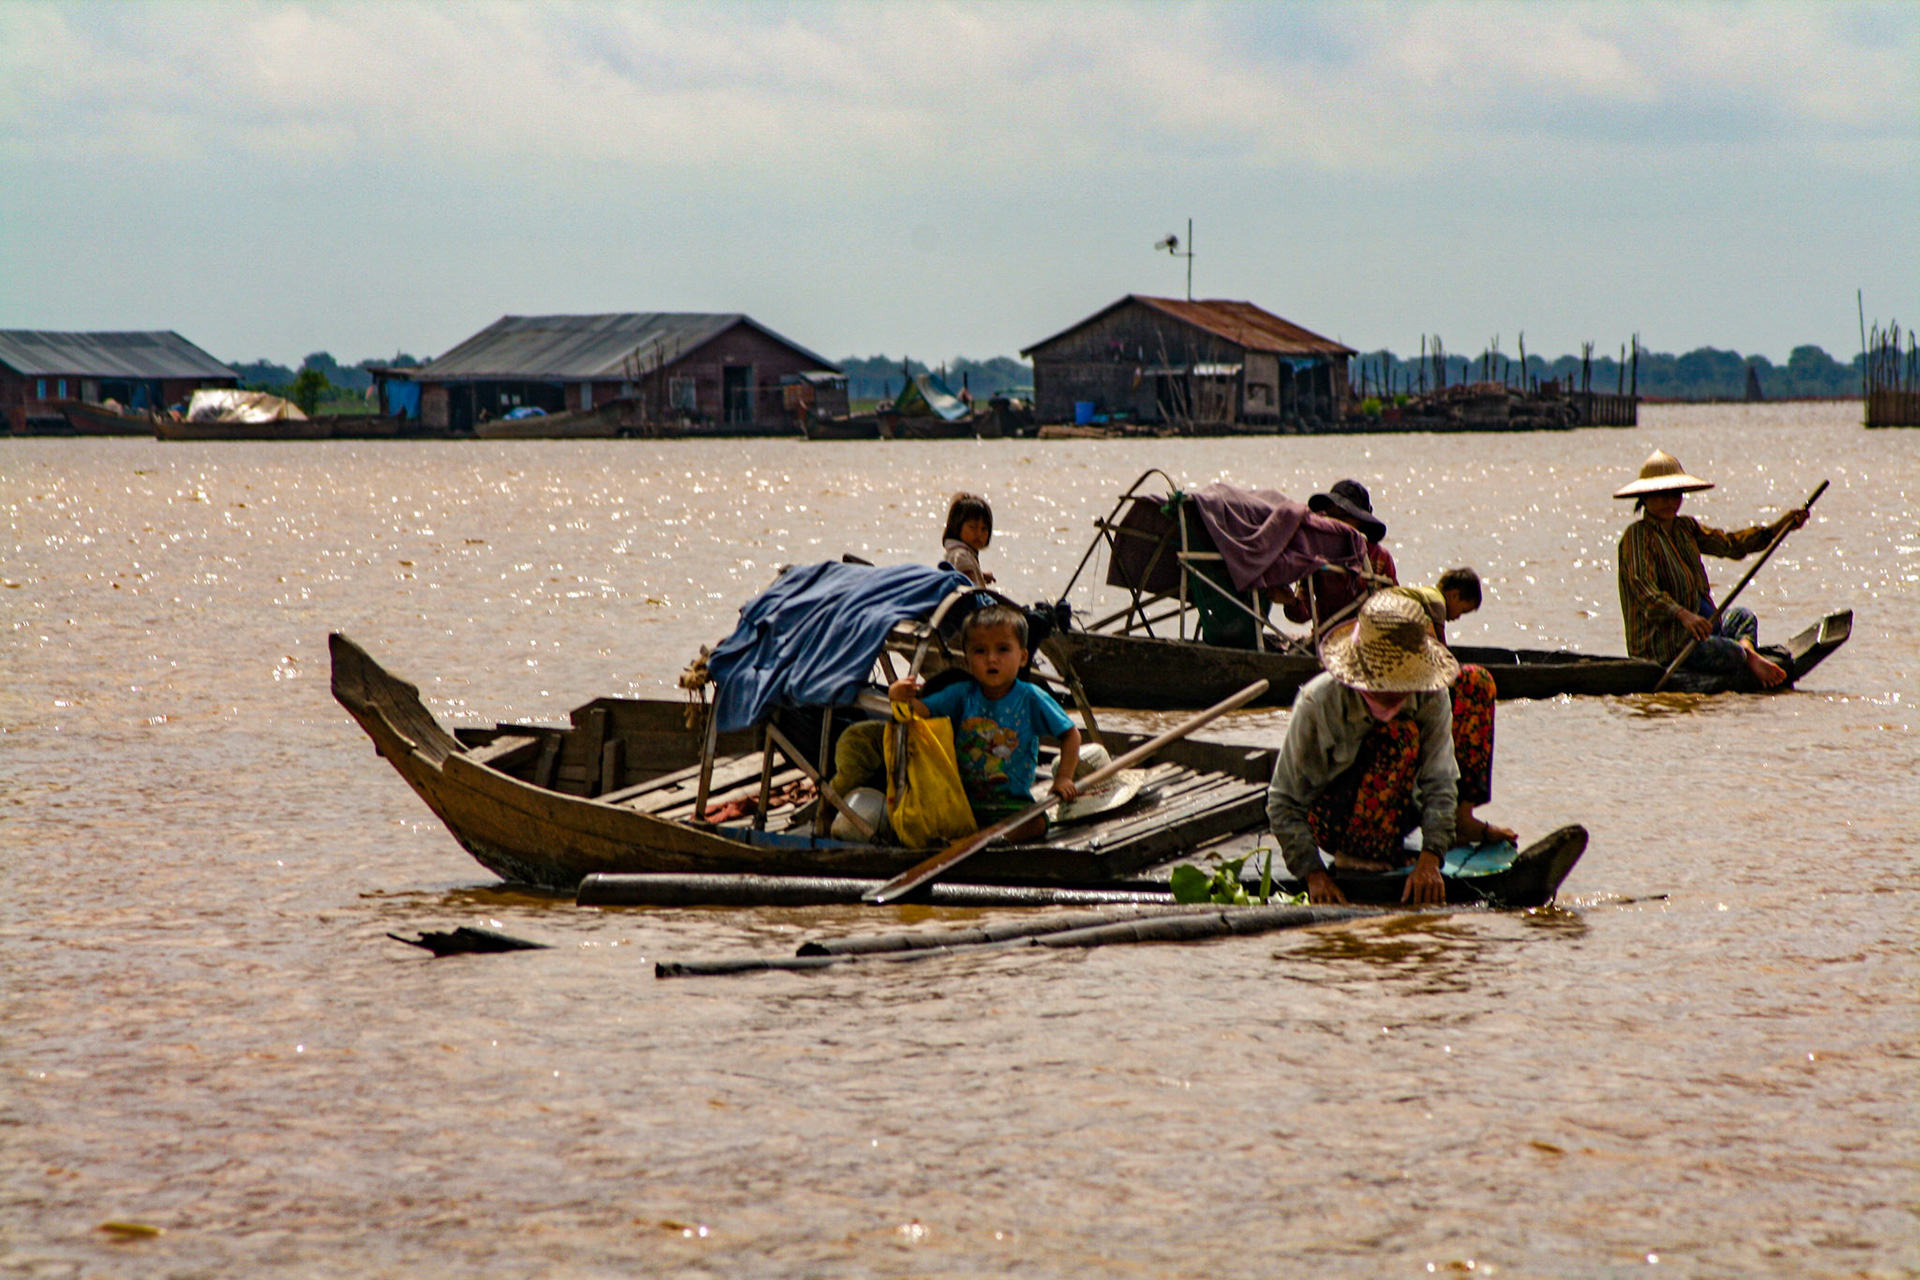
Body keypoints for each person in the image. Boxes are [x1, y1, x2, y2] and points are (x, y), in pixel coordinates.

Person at [1266, 590, 1462, 905]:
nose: (1396, 693)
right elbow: (1284, 802)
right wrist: (1313, 875)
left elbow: (1440, 780)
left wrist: (1431, 858)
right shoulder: (1319, 702)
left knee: (1416, 725)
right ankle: (1358, 858)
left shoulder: (1430, 697)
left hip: (1399, 810)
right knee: (1394, 737)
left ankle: (1395, 847)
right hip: (1331, 818)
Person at [1614, 450, 1809, 687]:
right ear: (1644, 498)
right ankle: (1746, 655)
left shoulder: (1685, 528)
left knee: (1742, 616)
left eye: (1674, 493)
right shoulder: (1637, 536)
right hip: (1668, 646)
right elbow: (1644, 590)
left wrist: (1779, 527)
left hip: (1702, 633)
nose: (1669, 501)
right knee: (1730, 653)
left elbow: (1731, 545)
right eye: (1660, 495)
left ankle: (1748, 652)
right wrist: (1683, 615)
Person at [889, 604, 1081, 841]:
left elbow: (1071, 735)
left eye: (1002, 649)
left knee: (1038, 823)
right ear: (968, 660)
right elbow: (919, 712)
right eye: (980, 651)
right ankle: (976, 839)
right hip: (963, 803)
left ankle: (987, 840)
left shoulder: (1030, 697)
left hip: (1013, 806)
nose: (991, 659)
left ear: (1022, 657)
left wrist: (1063, 777)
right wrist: (898, 697)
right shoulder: (961, 694)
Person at [1394, 569, 1515, 847]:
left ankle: (1455, 816)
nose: (1458, 615)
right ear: (1453, 594)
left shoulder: (1416, 596)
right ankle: (1462, 816)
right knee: (1476, 683)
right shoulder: (1434, 602)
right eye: (1462, 608)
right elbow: (1440, 662)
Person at [1274, 478, 1396, 628]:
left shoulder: (1379, 557)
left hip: (1368, 641)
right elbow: (1302, 614)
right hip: (1327, 640)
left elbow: (1395, 610)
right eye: (1331, 517)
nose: (1335, 523)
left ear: (1361, 522)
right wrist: (1290, 601)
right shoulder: (1317, 556)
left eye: (1343, 517)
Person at [941, 492, 996, 587]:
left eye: (984, 529)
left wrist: (980, 575)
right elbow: (970, 590)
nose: (979, 534)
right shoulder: (961, 555)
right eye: (973, 527)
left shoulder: (956, 552)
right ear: (957, 526)